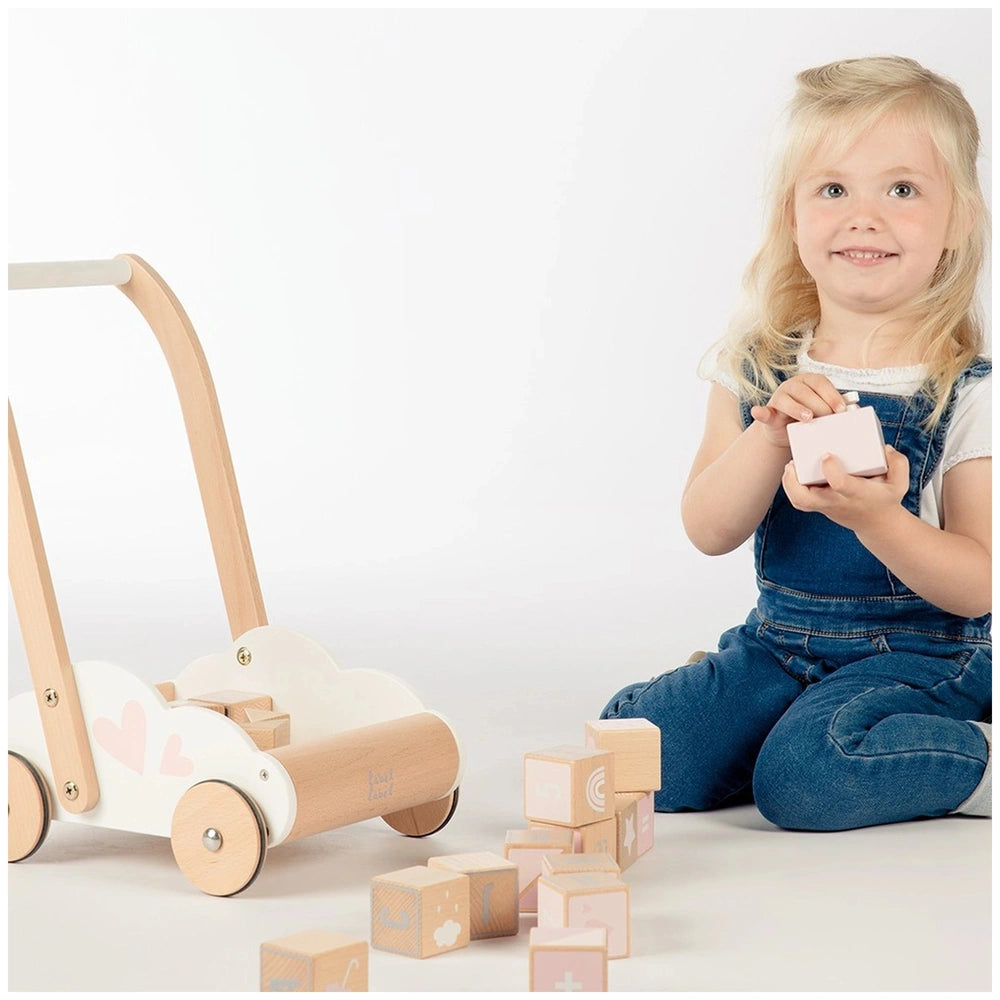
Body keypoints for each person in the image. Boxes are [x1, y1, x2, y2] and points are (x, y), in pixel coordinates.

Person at [600, 56, 991, 831]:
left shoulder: (967, 392)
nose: (864, 216)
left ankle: (969, 758)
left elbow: (979, 585)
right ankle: (769, 721)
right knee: (628, 748)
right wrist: (768, 437)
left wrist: (878, 517)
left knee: (807, 779)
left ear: (959, 220)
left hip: (918, 659)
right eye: (833, 189)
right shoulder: (754, 368)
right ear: (792, 216)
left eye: (902, 189)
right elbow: (708, 529)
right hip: (778, 646)